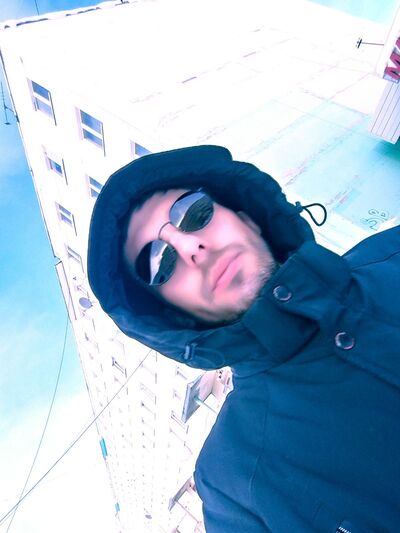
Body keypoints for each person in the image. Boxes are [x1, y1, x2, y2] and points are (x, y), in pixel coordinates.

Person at [88, 145, 400, 532]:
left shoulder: (392, 250)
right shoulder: (230, 486)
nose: (191, 248)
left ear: (245, 216)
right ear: (174, 314)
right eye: (158, 264)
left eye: (193, 211)